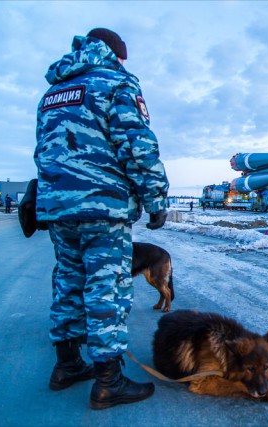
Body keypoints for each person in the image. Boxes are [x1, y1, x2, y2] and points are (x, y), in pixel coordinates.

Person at [34, 28, 169, 409]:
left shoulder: (53, 92)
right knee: (105, 288)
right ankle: (109, 381)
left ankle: (67, 366)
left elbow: (43, 151)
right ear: (115, 53)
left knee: (68, 282)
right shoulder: (115, 82)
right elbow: (138, 146)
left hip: (60, 208)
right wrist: (155, 198)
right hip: (102, 208)